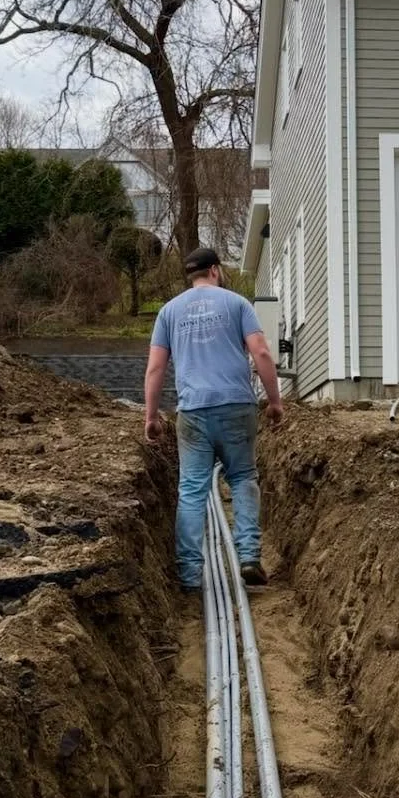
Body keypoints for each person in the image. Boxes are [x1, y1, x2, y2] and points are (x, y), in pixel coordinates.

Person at [144, 246, 284, 591]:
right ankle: (249, 557)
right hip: (237, 405)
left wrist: (151, 416)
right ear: (216, 270)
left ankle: (190, 574)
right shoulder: (237, 304)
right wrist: (275, 401)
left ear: (191, 275)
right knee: (242, 478)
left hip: (193, 410)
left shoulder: (169, 312)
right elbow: (262, 352)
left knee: (192, 490)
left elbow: (155, 368)